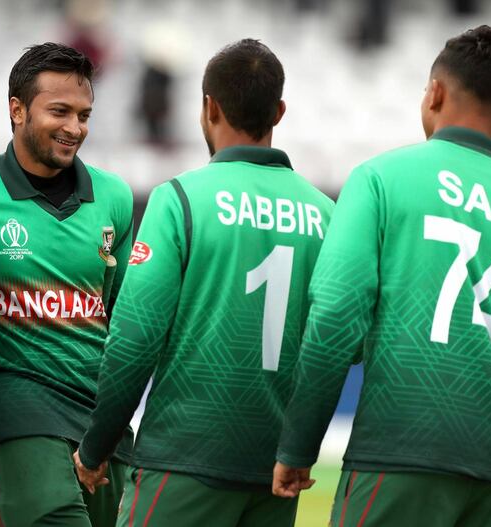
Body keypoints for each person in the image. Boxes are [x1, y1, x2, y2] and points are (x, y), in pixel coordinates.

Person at [273, 25, 491, 527]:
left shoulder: (381, 178)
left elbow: (335, 318)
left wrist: (300, 442)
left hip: (399, 448)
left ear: (433, 93)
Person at [74, 39, 334, 526]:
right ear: (279, 111)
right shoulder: (326, 216)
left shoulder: (180, 199)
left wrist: (96, 445)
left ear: (208, 107)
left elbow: (135, 339)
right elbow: (337, 346)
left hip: (183, 458)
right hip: (274, 469)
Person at [0, 42, 134, 527]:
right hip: (13, 413)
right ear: (16, 110)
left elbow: (121, 316)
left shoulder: (114, 197)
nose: (75, 128)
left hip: (100, 421)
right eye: (60, 111)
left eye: (84, 114)